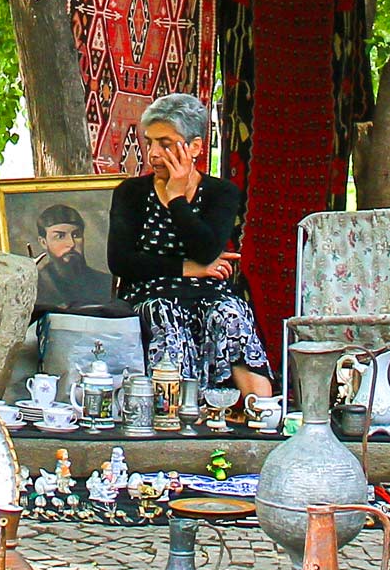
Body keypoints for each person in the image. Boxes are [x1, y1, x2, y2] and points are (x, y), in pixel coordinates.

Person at [108, 92, 273, 399]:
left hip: (207, 292)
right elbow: (121, 261)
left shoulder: (220, 193)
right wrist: (189, 269)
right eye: (150, 142)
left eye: (166, 144)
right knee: (164, 315)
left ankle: (260, 414)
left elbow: (206, 248)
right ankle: (178, 414)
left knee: (229, 315)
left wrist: (176, 199)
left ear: (195, 147)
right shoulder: (130, 193)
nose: (154, 154)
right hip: (150, 293)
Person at [33, 203, 118, 313]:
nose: (71, 244)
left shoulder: (107, 283)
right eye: (60, 236)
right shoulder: (35, 286)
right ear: (43, 242)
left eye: (76, 235)